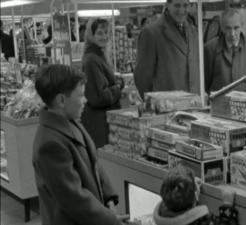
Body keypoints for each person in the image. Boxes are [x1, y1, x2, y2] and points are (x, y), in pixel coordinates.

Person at [33, 64, 133, 225]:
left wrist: (109, 198)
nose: (85, 100)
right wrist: (110, 220)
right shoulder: (50, 145)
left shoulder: (70, 121)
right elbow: (74, 199)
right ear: (61, 100)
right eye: (80, 96)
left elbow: (94, 162)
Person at [134, 0, 200, 98]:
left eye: (185, 5)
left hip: (194, 106)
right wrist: (153, 105)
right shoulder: (151, 33)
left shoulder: (194, 31)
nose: (181, 10)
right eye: (177, 5)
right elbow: (143, 78)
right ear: (167, 5)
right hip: (166, 107)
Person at [81, 18, 124, 148]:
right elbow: (98, 97)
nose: (104, 36)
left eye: (106, 32)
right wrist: (117, 86)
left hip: (101, 121)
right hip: (100, 124)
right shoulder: (92, 60)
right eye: (100, 33)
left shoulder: (98, 56)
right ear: (91, 35)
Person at [153, 165, 239, 225]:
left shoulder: (163, 214)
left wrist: (193, 196)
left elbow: (184, 213)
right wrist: (227, 205)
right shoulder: (203, 221)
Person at [204, 8, 246, 93]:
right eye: (228, 28)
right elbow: (205, 82)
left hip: (245, 101)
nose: (232, 33)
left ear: (242, 26)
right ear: (222, 28)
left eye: (236, 28)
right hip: (219, 102)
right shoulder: (210, 48)